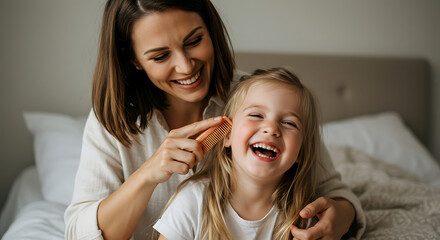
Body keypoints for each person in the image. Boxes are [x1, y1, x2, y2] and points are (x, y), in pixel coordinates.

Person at [64, 1, 365, 239]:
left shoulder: (259, 98)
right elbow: (80, 233)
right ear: (134, 60)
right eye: (160, 56)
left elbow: (334, 191)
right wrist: (148, 173)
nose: (185, 66)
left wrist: (341, 216)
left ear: (211, 30)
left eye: (194, 40)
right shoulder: (114, 122)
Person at [153, 67, 324, 239]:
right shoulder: (194, 200)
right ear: (227, 135)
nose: (271, 129)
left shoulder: (306, 219)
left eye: (289, 123)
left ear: (301, 152)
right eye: (257, 115)